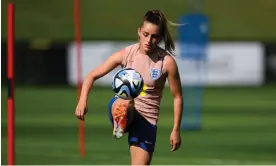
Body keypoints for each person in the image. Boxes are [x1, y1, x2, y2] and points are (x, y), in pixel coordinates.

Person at [75, 9, 183, 165]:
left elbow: (177, 97)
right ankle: (121, 120)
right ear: (139, 32)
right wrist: (82, 100)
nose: (148, 40)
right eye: (145, 34)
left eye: (154, 37)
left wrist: (176, 129)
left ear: (159, 38)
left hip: (147, 121)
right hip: (121, 106)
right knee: (127, 101)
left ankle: (124, 120)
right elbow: (92, 75)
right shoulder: (126, 54)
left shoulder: (166, 62)